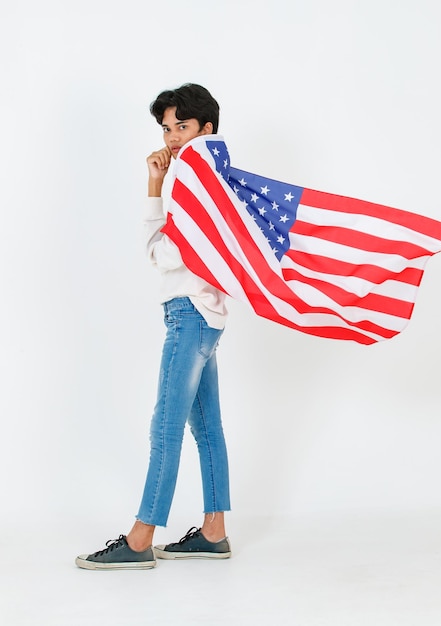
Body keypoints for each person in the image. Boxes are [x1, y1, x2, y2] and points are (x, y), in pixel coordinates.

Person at [76, 84, 231, 570]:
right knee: (206, 428)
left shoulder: (195, 181)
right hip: (205, 315)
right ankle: (213, 532)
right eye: (166, 128)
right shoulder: (211, 178)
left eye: (181, 127)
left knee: (165, 426)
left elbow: (162, 254)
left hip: (189, 313)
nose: (171, 138)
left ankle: (140, 539)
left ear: (206, 129)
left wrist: (153, 189)